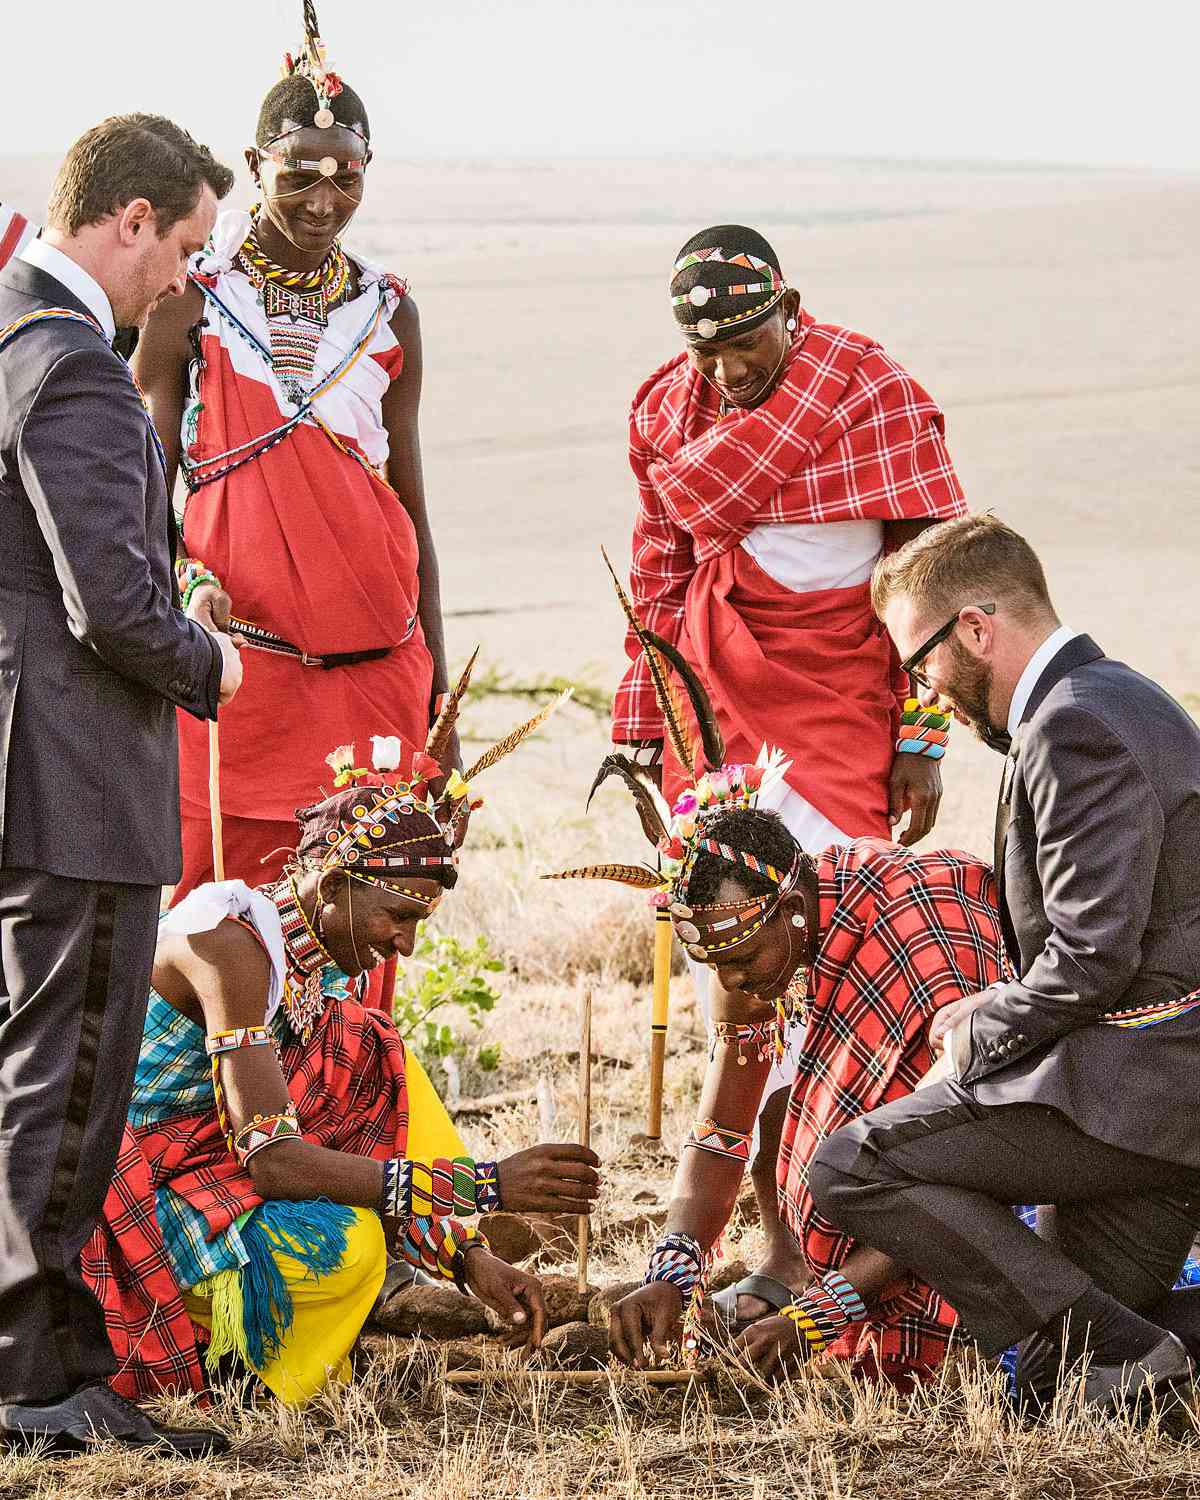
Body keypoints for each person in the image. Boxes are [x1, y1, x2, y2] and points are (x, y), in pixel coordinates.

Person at [611, 224, 966, 1324]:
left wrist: (921, 739)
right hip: (714, 704)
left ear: (792, 306)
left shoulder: (875, 394)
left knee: (834, 966)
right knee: (744, 974)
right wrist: (641, 718)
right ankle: (772, 1239)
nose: (726, 372)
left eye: (746, 344)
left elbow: (936, 575)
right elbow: (658, 579)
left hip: (840, 701)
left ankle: (848, 1241)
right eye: (705, 350)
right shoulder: (667, 411)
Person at [83, 686, 599, 1405]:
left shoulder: (316, 969)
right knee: (343, 1247)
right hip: (131, 1191)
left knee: (388, 1066)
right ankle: (245, 1361)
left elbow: (360, 1134)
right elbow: (273, 1162)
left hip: (210, 1167)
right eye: (397, 916)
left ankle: (326, 1318)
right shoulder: (230, 947)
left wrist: (469, 1257)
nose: (406, 945)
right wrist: (487, 1186)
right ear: (330, 885)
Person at [808, 514, 1200, 1412]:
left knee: (853, 1166)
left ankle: (1143, 1352)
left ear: (977, 627)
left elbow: (1092, 958)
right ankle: (1148, 1353)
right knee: (1063, 1387)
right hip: (1157, 1094)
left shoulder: (1075, 727)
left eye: (921, 663)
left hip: (1142, 1091)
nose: (925, 690)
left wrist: (975, 1025)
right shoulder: (1114, 697)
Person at [0, 115, 243, 1455]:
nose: (182, 284)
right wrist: (212, 658)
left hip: (18, 769)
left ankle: (50, 1361)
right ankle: (35, 1388)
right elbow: (114, 613)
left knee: (33, 1069)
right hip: (74, 780)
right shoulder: (74, 369)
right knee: (67, 1076)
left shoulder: (4, 338)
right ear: (132, 220)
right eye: (185, 248)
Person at [549, 722, 1005, 1383]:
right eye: (714, 966)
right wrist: (672, 1276)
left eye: (739, 962)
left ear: (792, 908)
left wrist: (818, 1316)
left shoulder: (922, 935)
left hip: (987, 1224)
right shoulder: (763, 941)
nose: (731, 983)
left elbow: (967, 1173)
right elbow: (721, 1132)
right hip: (880, 1243)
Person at [135, 2, 458, 925]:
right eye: (300, 174)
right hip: (236, 671)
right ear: (253, 169)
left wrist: (435, 683)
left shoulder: (389, 313)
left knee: (362, 920)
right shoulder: (189, 303)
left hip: (377, 665)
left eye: (347, 177)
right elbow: (138, 489)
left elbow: (411, 504)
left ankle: (349, 1077)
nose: (325, 200)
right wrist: (187, 578)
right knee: (209, 919)